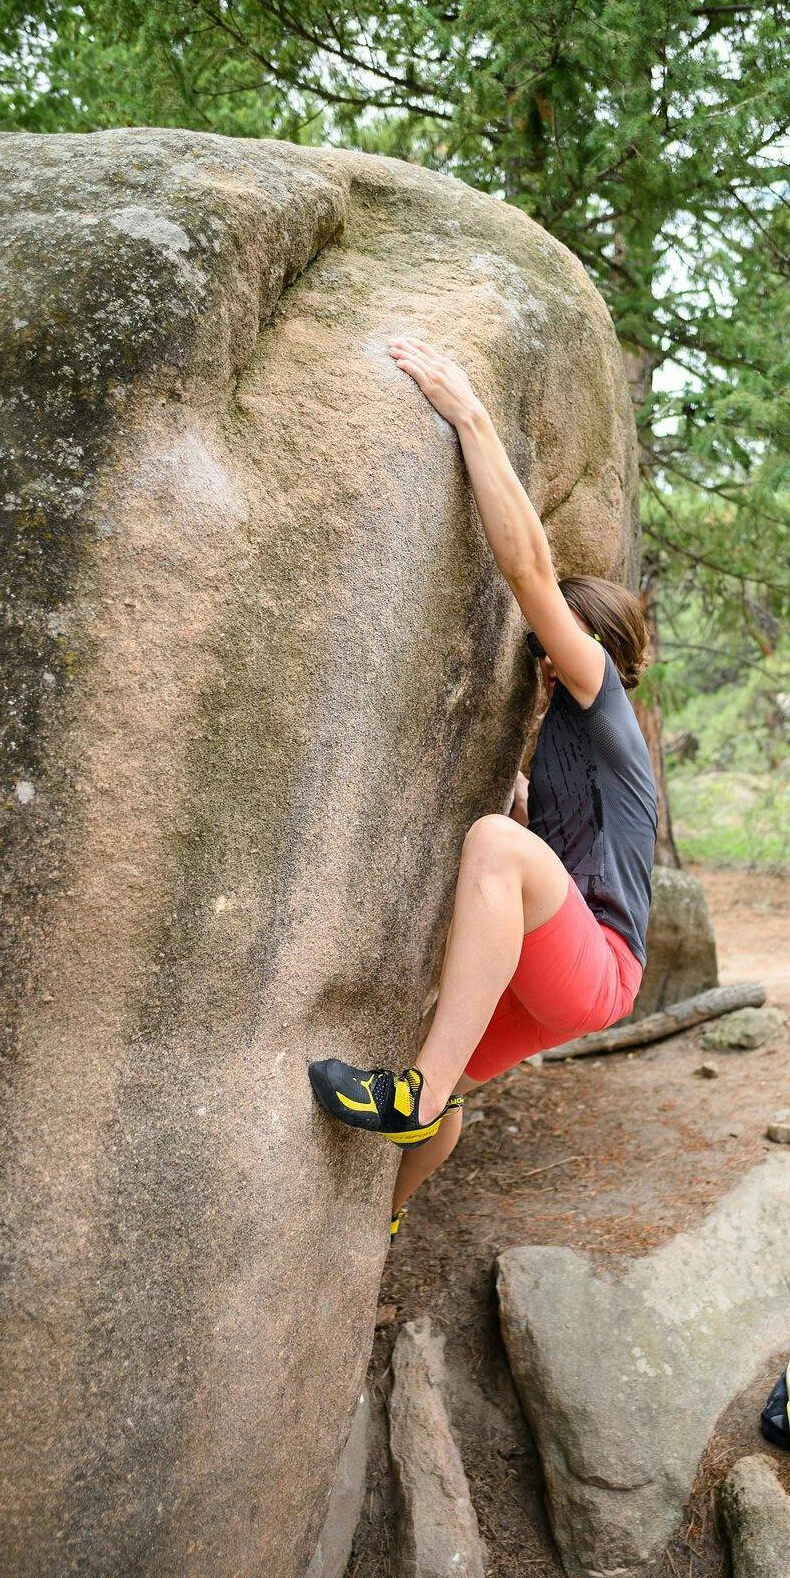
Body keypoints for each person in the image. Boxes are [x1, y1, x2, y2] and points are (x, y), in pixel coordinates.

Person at [308, 335, 657, 1231]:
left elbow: (528, 570)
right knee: (457, 1071)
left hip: (599, 973)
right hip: (568, 977)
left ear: (581, 646)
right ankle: (375, 1226)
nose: (541, 663)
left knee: (495, 849)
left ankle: (411, 1096)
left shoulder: (600, 690)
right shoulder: (583, 743)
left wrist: (468, 414)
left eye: (549, 647)